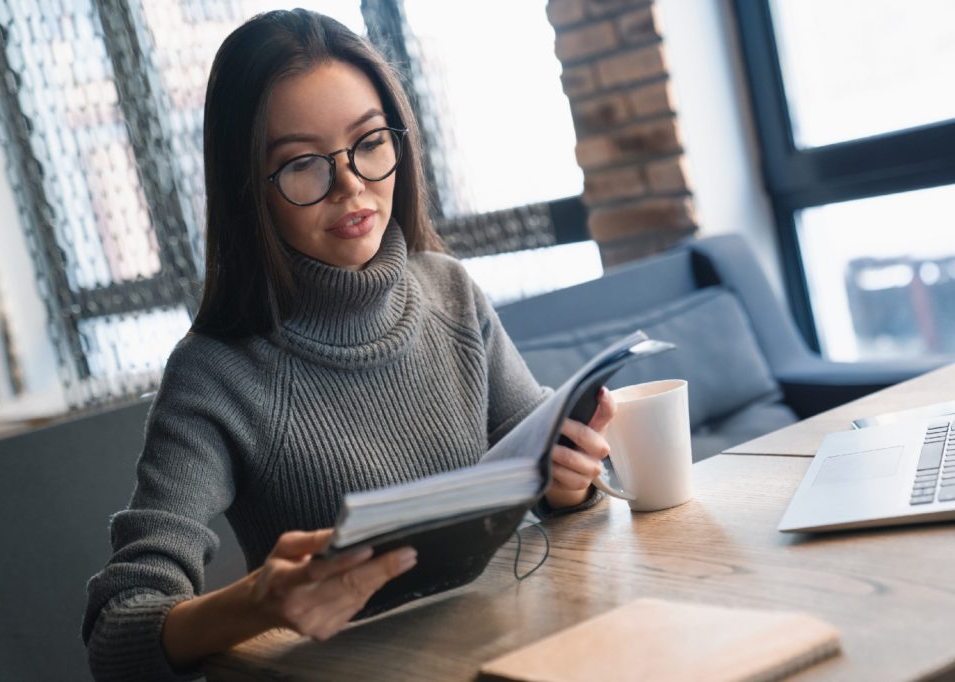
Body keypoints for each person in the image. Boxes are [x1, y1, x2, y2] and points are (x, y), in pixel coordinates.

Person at [82, 9, 615, 681]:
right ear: (252, 192)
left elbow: (542, 476)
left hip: (506, 654)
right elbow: (115, 634)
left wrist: (571, 486)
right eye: (302, 164)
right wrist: (258, 602)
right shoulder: (215, 374)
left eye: (369, 142)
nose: (352, 185)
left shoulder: (449, 292)